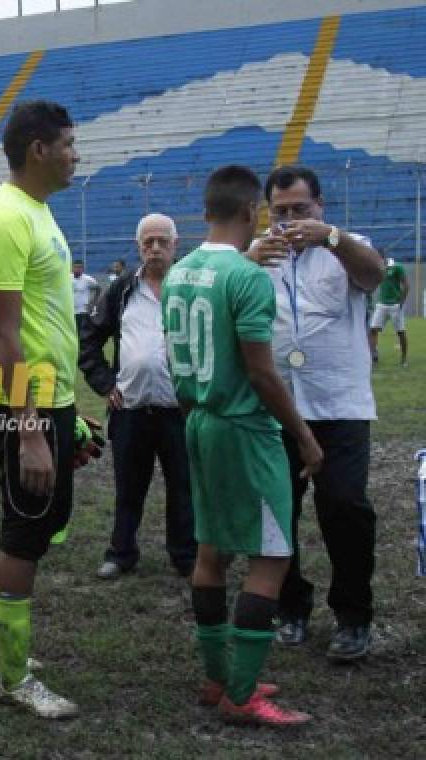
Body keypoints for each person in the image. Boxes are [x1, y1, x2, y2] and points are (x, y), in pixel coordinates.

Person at [164, 164, 324, 726]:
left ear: (205, 210)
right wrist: (302, 436)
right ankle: (243, 693)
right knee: (272, 554)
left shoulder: (180, 272)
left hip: (199, 421)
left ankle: (217, 678)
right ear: (250, 210)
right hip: (244, 428)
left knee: (211, 550)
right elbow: (260, 372)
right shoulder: (247, 276)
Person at [0, 101, 101, 718]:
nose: (76, 153)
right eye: (70, 143)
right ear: (39, 149)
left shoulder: (38, 211)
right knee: (25, 532)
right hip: (23, 407)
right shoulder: (5, 219)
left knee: (42, 524)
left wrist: (67, 411)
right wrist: (29, 430)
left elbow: (46, 325)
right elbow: (1, 334)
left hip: (50, 400)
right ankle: (13, 677)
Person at [247, 165, 386, 661]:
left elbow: (374, 274)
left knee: (345, 507)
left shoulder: (346, 246)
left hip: (339, 407)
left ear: (320, 206)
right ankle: (291, 606)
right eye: (280, 211)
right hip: (276, 408)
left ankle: (352, 615)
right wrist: (248, 258)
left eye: (300, 209)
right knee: (276, 513)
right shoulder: (260, 255)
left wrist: (332, 238)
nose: (290, 220)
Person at [79, 213, 195, 580]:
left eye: (162, 240)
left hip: (181, 409)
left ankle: (186, 555)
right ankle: (121, 552)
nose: (155, 248)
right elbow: (89, 340)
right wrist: (105, 383)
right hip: (130, 408)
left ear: (176, 244)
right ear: (138, 246)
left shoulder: (191, 285)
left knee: (185, 485)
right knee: (129, 486)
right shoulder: (122, 290)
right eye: (148, 242)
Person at [368, 256, 408, 366]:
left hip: (395, 304)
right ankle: (373, 356)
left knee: (400, 332)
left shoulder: (397, 267)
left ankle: (404, 359)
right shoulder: (379, 268)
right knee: (373, 329)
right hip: (382, 304)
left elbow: (406, 284)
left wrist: (401, 302)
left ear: (384, 257)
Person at [71, 259, 97, 332]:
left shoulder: (88, 279)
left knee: (82, 332)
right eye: (75, 267)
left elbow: (98, 289)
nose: (77, 269)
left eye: (79, 267)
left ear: (83, 269)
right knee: (72, 332)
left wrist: (93, 303)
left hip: (83, 310)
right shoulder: (67, 278)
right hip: (70, 310)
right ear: (72, 268)